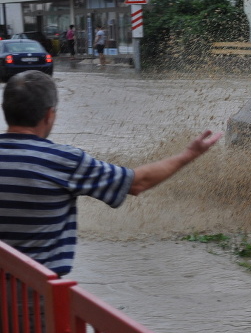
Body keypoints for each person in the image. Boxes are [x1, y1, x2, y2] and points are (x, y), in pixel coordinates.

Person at [0, 71, 222, 277]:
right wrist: (188, 154)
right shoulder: (63, 161)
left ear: (5, 108)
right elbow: (136, 183)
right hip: (36, 309)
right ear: (49, 115)